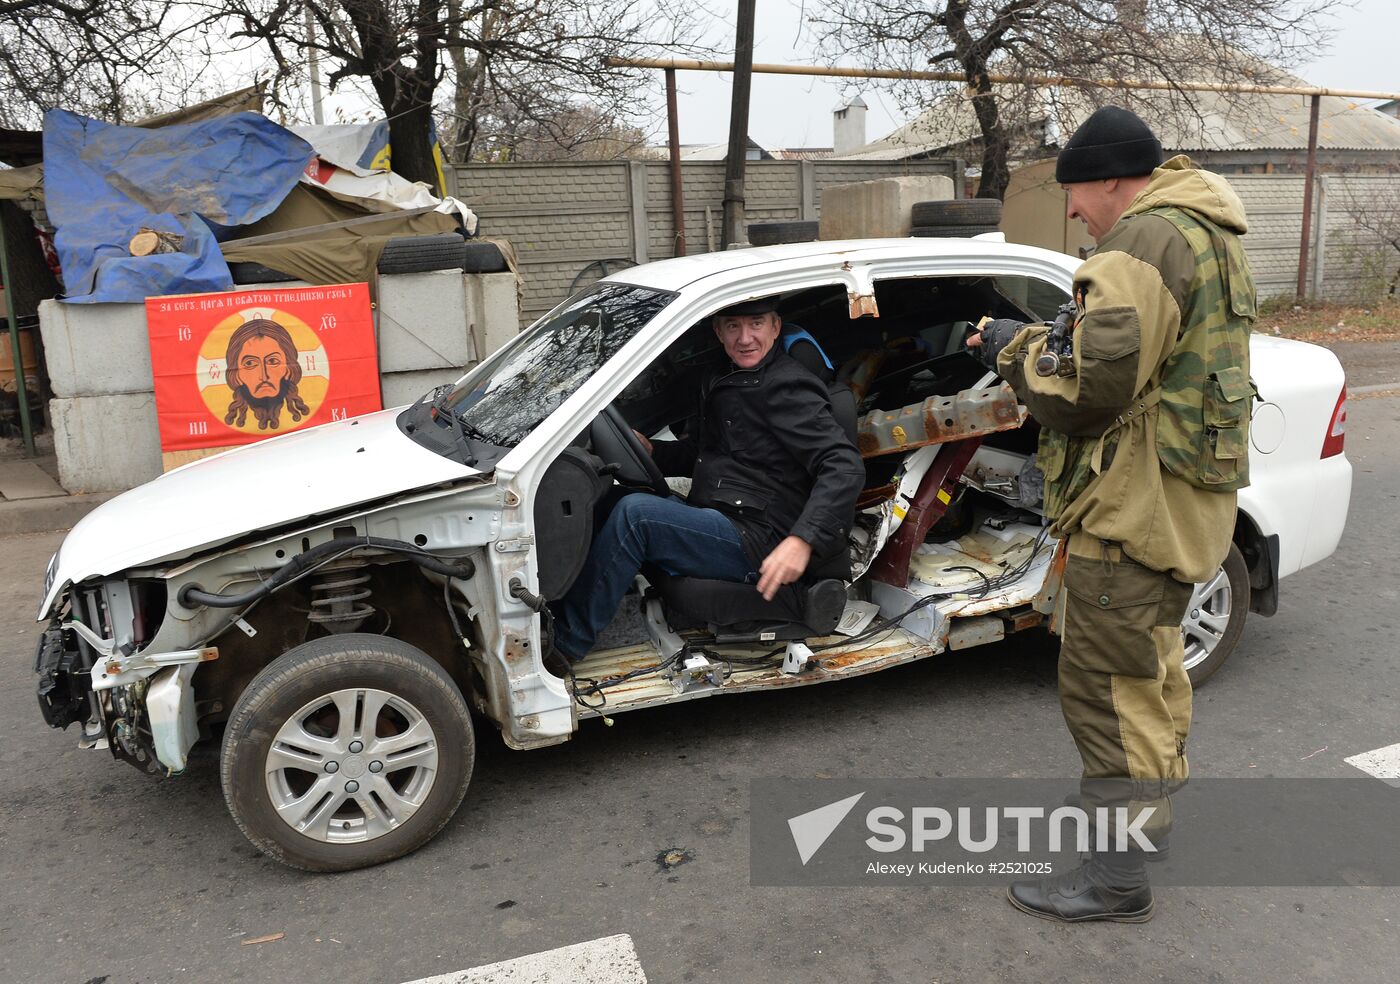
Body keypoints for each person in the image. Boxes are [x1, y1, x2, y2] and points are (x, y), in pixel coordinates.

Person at [967, 105, 1256, 922]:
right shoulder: (1208, 231)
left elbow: (1087, 392)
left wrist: (1013, 352)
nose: (1074, 212)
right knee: (1152, 679)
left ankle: (1115, 879)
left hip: (1132, 516)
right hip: (1183, 507)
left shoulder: (1141, 244)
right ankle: (1140, 825)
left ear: (1107, 179)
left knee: (1107, 692)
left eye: (1077, 194)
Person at [549, 297, 865, 666]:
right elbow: (708, 457)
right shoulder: (721, 377)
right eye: (733, 326)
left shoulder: (787, 387)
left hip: (761, 536)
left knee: (638, 516)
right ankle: (551, 613)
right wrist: (655, 453)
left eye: (756, 324)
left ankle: (564, 649)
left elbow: (843, 465)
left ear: (775, 327)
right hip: (722, 514)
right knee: (605, 498)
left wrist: (802, 540)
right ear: (718, 331)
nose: (745, 337)